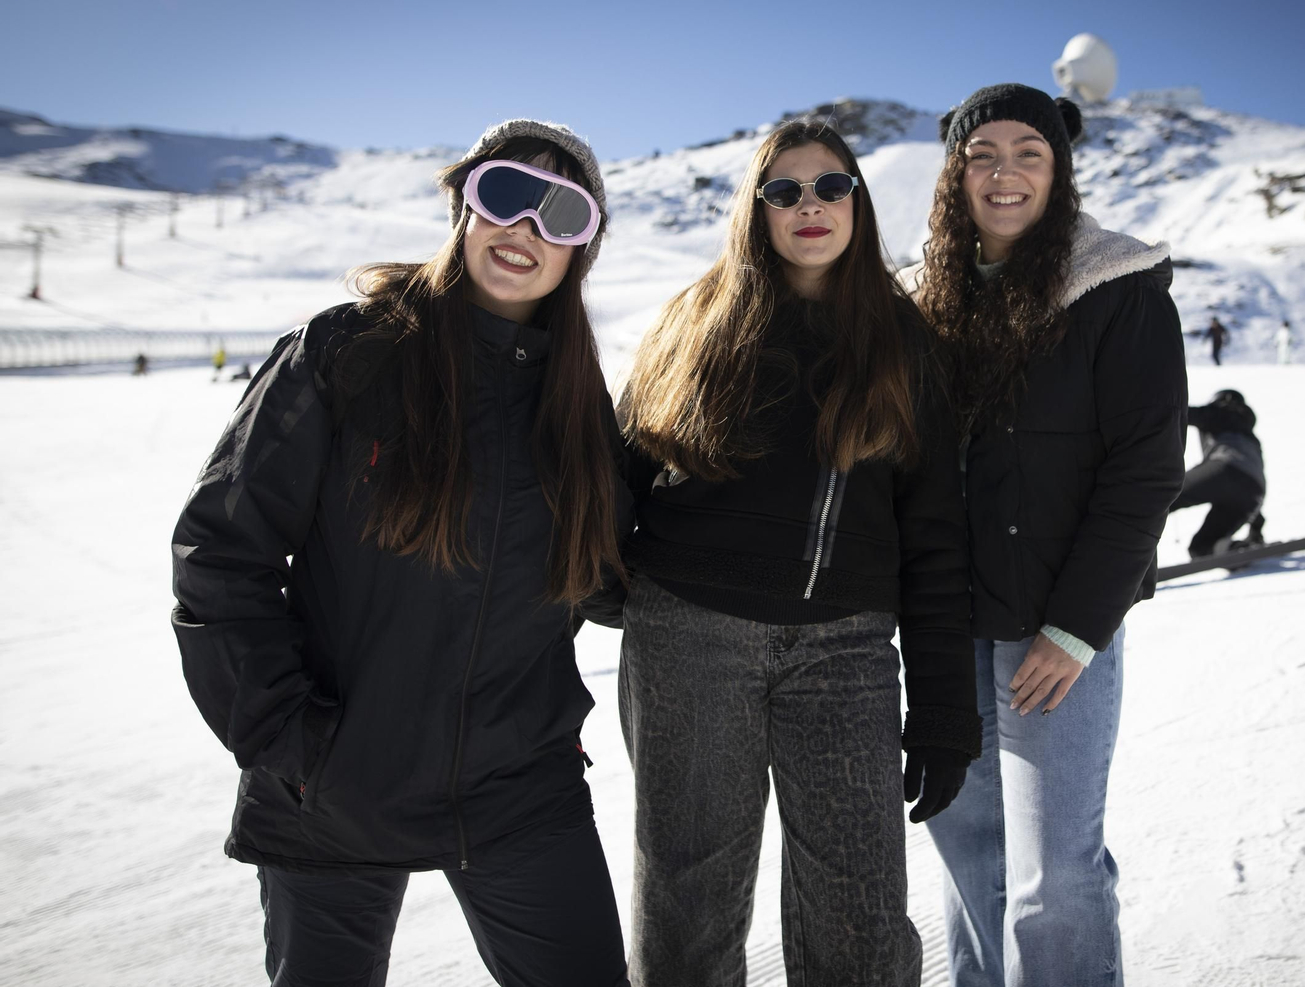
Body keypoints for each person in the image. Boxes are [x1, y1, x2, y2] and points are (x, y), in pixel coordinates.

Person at [171, 119, 631, 987]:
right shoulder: (347, 352)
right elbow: (221, 553)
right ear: (463, 202)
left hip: (521, 787)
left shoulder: (576, 409)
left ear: (583, 248)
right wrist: (289, 741)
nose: (525, 229)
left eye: (561, 212)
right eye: (505, 194)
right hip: (334, 784)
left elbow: (612, 579)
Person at [617, 120, 977, 986]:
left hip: (846, 650)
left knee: (860, 918)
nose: (808, 206)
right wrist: (602, 589)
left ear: (858, 200)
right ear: (757, 211)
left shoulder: (905, 342)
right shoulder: (696, 321)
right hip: (691, 639)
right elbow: (615, 478)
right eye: (784, 191)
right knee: (689, 910)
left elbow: (933, 540)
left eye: (829, 187)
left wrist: (940, 710)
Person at [912, 84, 1187, 987]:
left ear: (1060, 169)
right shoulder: (924, 301)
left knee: (1054, 876)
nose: (1006, 172)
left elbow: (1144, 470)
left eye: (1030, 151)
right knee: (970, 861)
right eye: (983, 153)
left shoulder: (1116, 287)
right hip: (945, 631)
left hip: (1054, 635)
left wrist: (1075, 628)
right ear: (956, 173)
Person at [1172, 389, 1268, 559]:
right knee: (1201, 548)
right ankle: (1232, 549)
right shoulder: (1251, 439)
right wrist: (1256, 530)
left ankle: (1123, 548)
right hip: (1254, 491)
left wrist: (1157, 410)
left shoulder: (1221, 411)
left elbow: (1185, 413)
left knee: (1161, 496)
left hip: (1225, 468)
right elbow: (1247, 484)